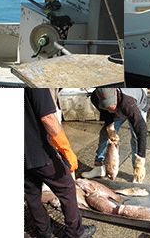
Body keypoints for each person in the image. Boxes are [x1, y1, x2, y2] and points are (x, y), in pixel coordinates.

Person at [24, 88, 96, 238]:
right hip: (36, 148)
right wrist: (66, 149)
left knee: (32, 193)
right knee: (67, 187)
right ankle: (75, 232)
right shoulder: (35, 81)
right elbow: (48, 117)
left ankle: (44, 230)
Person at [82, 88, 149, 183]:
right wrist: (110, 128)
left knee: (135, 137)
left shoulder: (128, 102)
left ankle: (137, 172)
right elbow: (106, 113)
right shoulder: (95, 98)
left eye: (111, 104)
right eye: (106, 105)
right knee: (105, 133)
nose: (109, 107)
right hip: (119, 107)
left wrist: (141, 160)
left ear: (115, 93)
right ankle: (99, 167)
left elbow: (141, 131)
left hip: (137, 106)